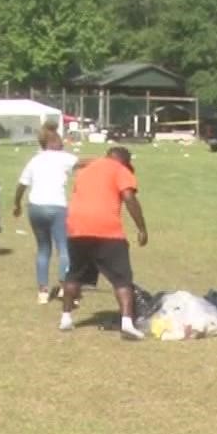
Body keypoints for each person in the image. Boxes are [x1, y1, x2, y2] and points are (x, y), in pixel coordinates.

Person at [59, 146, 148, 340]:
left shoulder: (86, 170)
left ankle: (65, 318)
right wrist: (142, 228)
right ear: (124, 161)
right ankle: (127, 323)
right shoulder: (120, 170)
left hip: (76, 227)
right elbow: (129, 197)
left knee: (74, 273)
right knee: (122, 278)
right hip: (107, 229)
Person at [14, 125, 79, 303]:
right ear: (52, 141)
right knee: (64, 248)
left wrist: (16, 204)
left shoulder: (35, 160)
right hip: (57, 207)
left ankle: (43, 291)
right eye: (59, 139)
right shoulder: (64, 157)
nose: (62, 142)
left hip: (35, 207)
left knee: (43, 248)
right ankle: (64, 286)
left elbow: (22, 185)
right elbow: (84, 163)